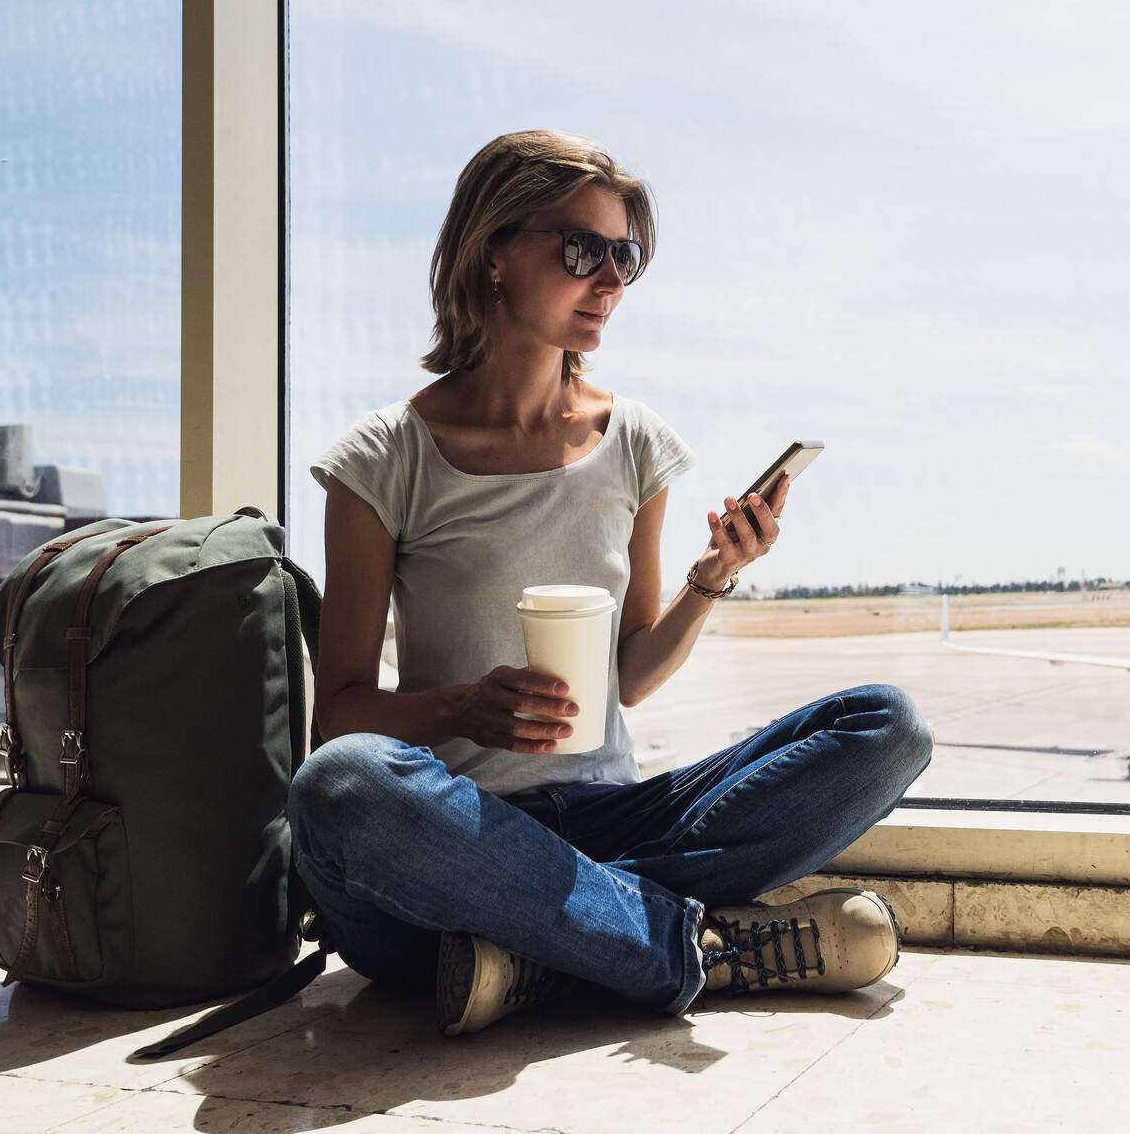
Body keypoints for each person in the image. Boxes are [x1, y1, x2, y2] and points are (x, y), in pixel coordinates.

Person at [290, 129, 934, 1036]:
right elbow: (342, 714)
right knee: (340, 785)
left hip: (606, 815)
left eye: (625, 257)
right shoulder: (382, 458)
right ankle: (686, 947)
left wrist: (711, 582)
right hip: (455, 837)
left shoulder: (635, 443)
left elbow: (625, 678)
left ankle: (542, 955)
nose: (612, 282)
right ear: (494, 256)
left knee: (886, 726)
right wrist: (462, 709)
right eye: (583, 250)